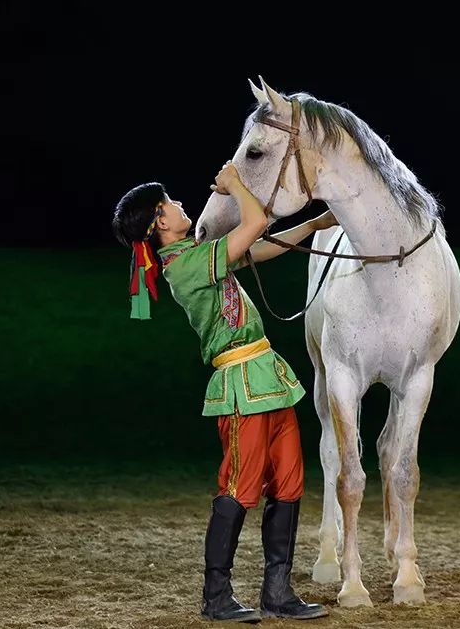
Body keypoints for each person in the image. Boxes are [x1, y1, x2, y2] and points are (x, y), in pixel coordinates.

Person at [111, 162, 335, 622]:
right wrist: (235, 185)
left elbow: (262, 246)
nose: (179, 204)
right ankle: (216, 596)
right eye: (168, 203)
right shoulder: (184, 266)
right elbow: (253, 225)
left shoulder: (201, 253)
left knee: (289, 485)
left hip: (269, 378)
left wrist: (313, 225)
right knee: (238, 488)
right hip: (239, 387)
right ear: (159, 223)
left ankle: (278, 591)